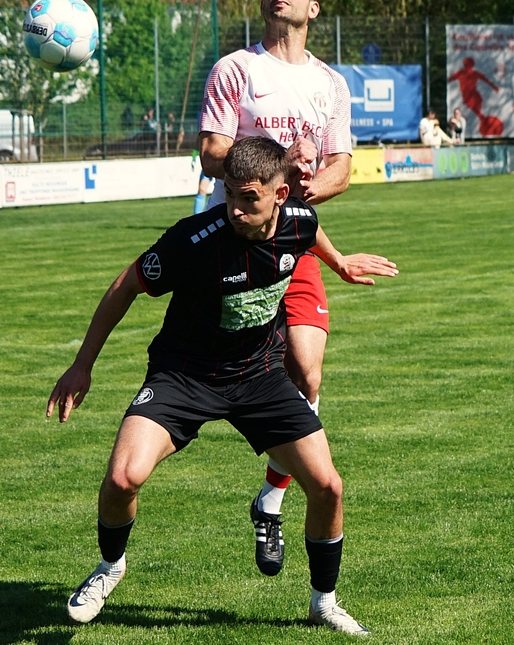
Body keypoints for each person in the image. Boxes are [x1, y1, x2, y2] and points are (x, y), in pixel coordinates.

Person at [48, 137, 398, 635]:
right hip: (183, 376)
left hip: (260, 377)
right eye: (229, 193)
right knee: (123, 477)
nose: (234, 208)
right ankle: (110, 567)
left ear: (280, 196)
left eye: (248, 198)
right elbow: (126, 284)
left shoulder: (299, 220)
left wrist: (338, 262)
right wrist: (82, 365)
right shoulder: (193, 241)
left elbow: (310, 230)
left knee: (327, 487)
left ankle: (323, 603)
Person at [197, 0, 356, 579]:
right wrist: (277, 166)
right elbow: (212, 153)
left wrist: (314, 186)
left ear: (312, 9)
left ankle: (270, 498)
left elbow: (342, 167)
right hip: (234, 243)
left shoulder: (330, 84)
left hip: (295, 239)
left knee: (306, 371)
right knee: (210, 376)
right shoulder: (237, 70)